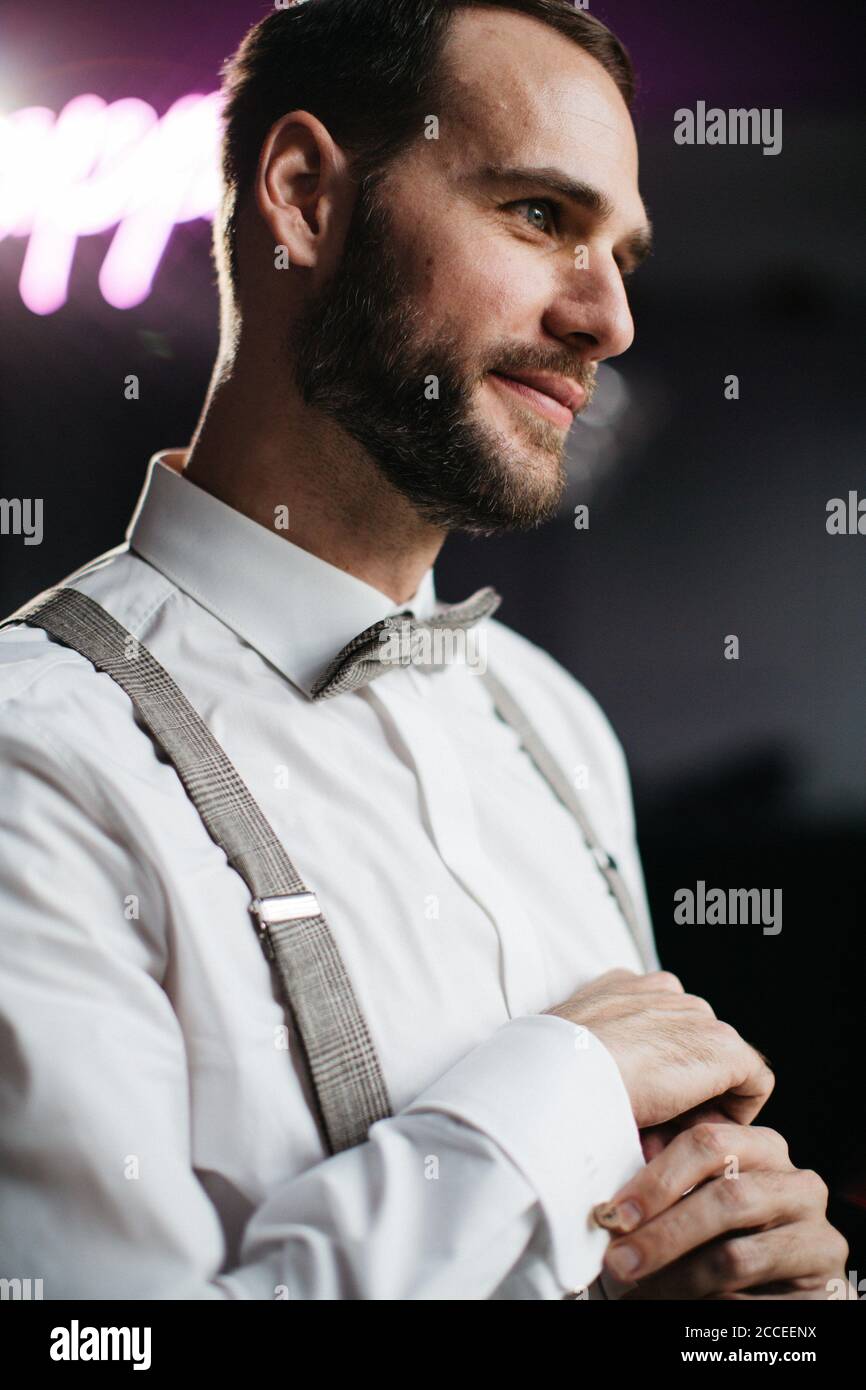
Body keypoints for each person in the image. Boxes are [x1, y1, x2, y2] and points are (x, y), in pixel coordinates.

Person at [0, 0, 847, 1300]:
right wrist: (554, 1091)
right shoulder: (33, 757)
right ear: (300, 198)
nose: (609, 319)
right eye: (539, 217)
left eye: (620, 251)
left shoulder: (553, 723)